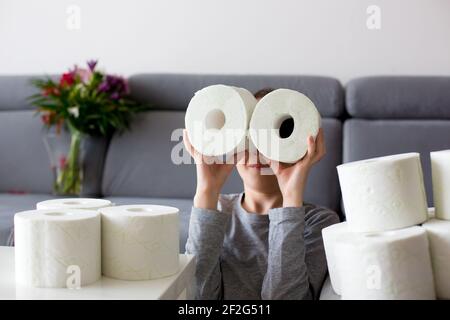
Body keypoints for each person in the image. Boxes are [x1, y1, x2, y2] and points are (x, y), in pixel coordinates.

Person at [184, 88, 339, 300]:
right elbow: (197, 299)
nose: (256, 150)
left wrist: (291, 196)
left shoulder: (319, 222)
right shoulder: (214, 211)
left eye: (269, 134)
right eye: (247, 132)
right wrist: (206, 190)